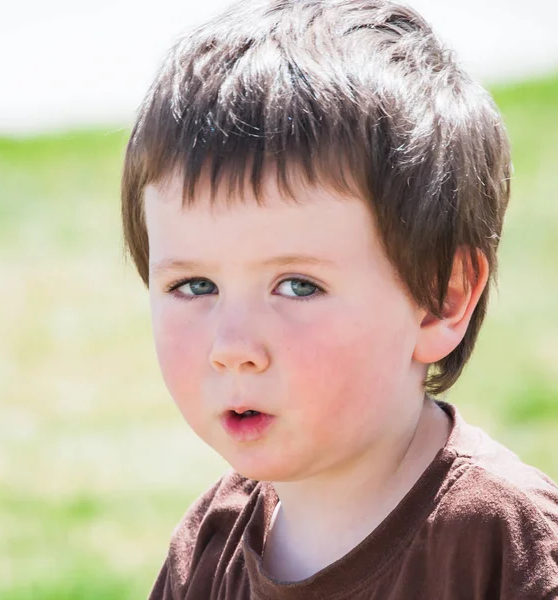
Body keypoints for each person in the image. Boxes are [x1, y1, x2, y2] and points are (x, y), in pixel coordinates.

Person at [120, 0, 558, 597]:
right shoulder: (207, 547)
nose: (233, 348)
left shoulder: (507, 548)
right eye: (194, 286)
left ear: (438, 299)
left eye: (298, 286)